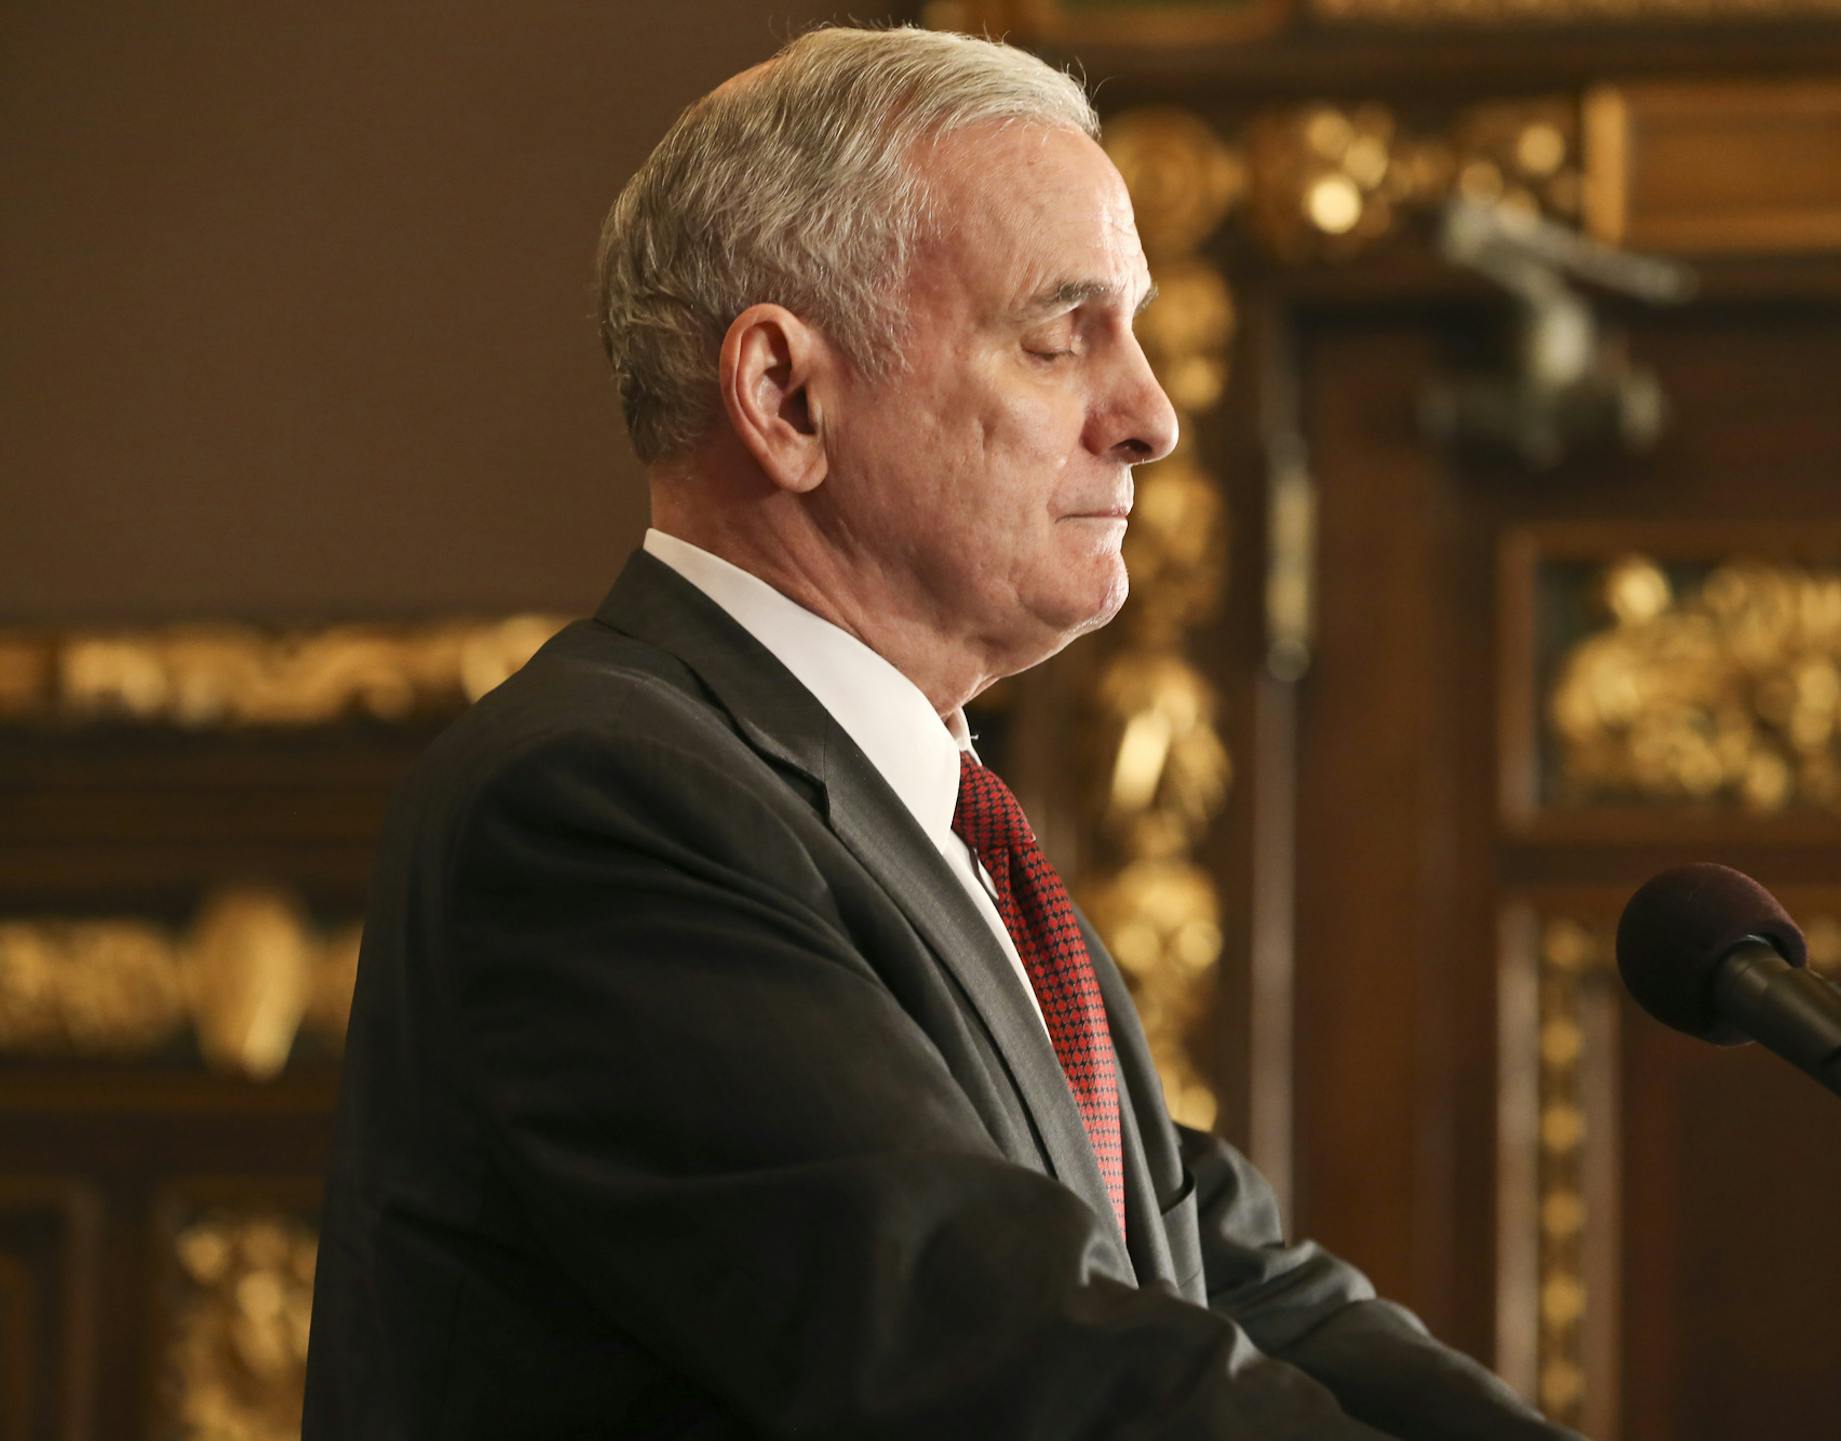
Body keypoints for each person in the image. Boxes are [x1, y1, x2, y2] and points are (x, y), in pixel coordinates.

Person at [302, 25, 1581, 1440]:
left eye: (1136, 331)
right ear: (787, 397)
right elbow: (1007, 1354)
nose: (1150, 414)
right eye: (1057, 335)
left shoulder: (941, 813)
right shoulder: (595, 801)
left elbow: (1236, 1280)